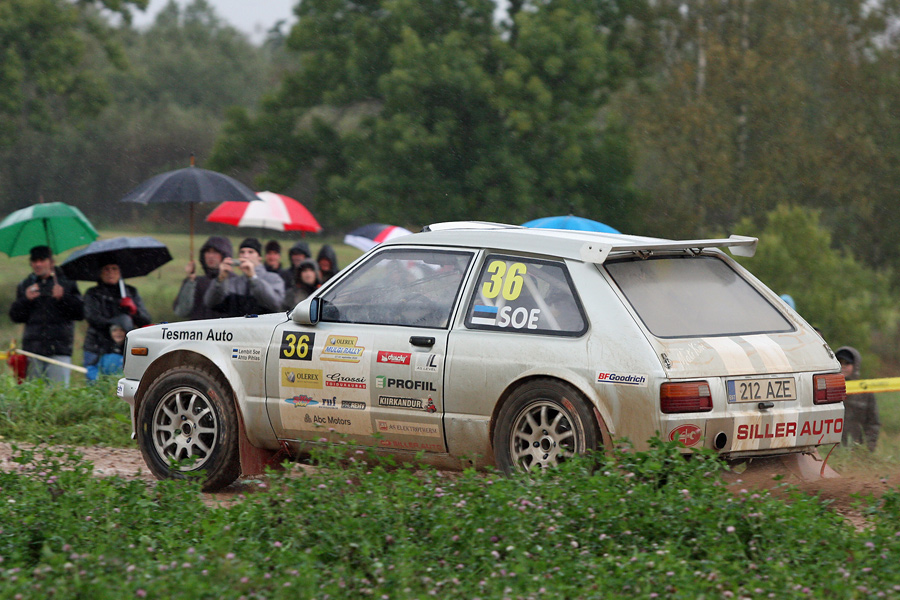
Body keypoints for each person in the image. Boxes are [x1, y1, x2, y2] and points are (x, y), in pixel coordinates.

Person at [9, 245, 84, 385]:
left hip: (59, 349)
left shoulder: (66, 282)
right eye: (34, 261)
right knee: (33, 392)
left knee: (58, 392)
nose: (38, 264)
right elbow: (15, 316)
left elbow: (80, 313)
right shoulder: (26, 284)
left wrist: (63, 298)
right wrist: (25, 300)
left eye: (42, 260)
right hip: (32, 350)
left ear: (51, 262)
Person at [83, 263, 152, 377]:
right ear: (100, 273)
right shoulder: (93, 293)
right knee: (96, 381)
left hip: (124, 348)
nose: (111, 272)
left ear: (120, 272)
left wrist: (134, 311)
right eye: (106, 269)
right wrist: (117, 322)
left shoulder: (130, 292)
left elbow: (145, 320)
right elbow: (92, 317)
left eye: (114, 269)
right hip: (97, 346)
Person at [204, 237, 285, 316]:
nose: (245, 256)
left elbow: (275, 304)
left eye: (250, 252)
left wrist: (253, 278)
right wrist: (220, 280)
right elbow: (211, 303)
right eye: (242, 252)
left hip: (265, 324)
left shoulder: (273, 278)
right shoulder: (233, 282)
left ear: (259, 257)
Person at [172, 236, 233, 320]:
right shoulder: (196, 281)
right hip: (197, 328)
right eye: (208, 252)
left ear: (225, 255)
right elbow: (182, 311)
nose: (210, 256)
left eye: (215, 252)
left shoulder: (235, 281)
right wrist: (190, 281)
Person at [836, 346, 880, 452]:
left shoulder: (865, 392)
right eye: (839, 362)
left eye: (847, 363)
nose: (843, 366)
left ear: (855, 365)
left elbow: (873, 423)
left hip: (857, 450)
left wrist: (869, 448)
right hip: (831, 451)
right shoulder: (826, 390)